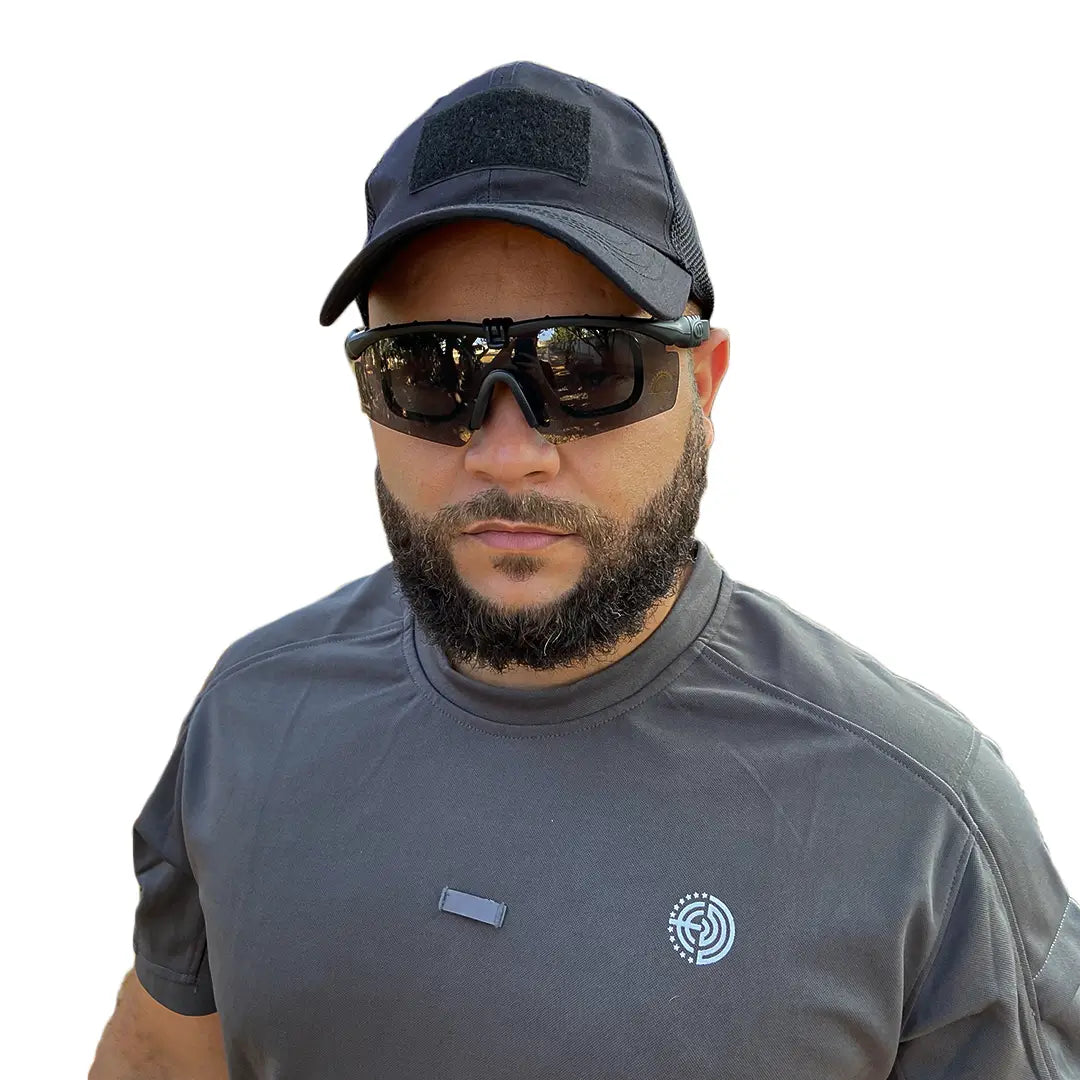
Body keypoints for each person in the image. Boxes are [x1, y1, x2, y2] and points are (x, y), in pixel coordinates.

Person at [90, 60, 1078, 1080]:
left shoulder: (921, 823)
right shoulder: (250, 721)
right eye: (428, 371)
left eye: (589, 367)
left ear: (703, 383)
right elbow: (159, 1054)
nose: (508, 452)